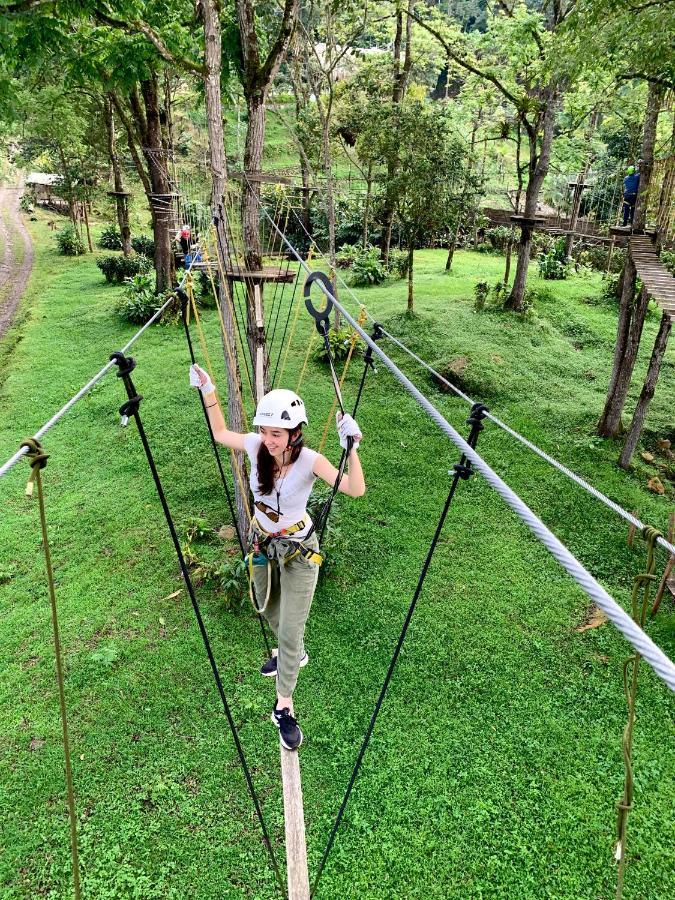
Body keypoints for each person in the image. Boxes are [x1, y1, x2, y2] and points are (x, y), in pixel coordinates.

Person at [189, 364, 365, 750]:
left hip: (301, 552)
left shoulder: (310, 460)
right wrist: (209, 388)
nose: (269, 440)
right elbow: (220, 433)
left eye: (277, 433)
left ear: (294, 433)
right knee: (267, 609)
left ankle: (283, 707)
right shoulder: (255, 446)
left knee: (289, 629)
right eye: (265, 431)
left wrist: (352, 449)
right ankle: (293, 654)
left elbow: (355, 489)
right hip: (262, 544)